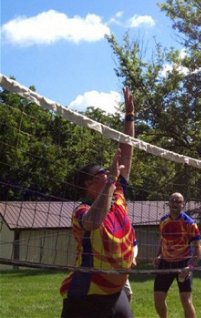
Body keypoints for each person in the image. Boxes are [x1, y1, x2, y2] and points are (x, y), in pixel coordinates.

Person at [60, 87, 136, 318]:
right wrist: (111, 181)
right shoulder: (82, 211)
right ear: (89, 184)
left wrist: (130, 115)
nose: (109, 171)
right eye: (103, 172)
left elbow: (127, 151)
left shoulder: (118, 195)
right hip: (87, 295)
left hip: (116, 292)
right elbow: (93, 222)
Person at [153, 192, 201, 318]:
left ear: (183, 204)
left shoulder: (190, 223)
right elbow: (162, 239)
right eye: (173, 201)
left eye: (178, 201)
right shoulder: (163, 221)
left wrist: (190, 267)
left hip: (183, 263)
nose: (175, 203)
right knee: (158, 301)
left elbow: (199, 247)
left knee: (186, 300)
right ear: (168, 203)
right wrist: (159, 255)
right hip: (165, 264)